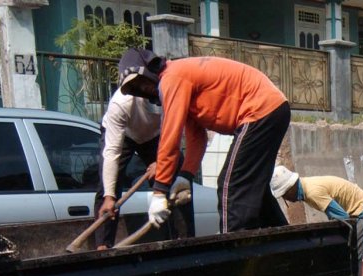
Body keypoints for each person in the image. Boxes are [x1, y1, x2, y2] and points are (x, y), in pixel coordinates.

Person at [117, 48, 289, 233]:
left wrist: (159, 191)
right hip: (271, 109)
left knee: (231, 187)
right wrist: (186, 175)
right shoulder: (181, 80)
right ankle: (291, 245)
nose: (144, 90)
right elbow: (196, 138)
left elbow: (170, 136)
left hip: (260, 110)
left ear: (150, 70)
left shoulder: (172, 78)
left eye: (142, 83)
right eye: (138, 89)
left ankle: (235, 252)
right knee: (253, 189)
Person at [94, 88, 166, 249]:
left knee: (173, 179)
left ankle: (178, 239)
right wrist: (109, 197)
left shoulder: (171, 94)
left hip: (156, 135)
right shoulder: (121, 102)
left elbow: (177, 133)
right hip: (124, 132)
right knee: (108, 187)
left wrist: (162, 161)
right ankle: (103, 246)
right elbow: (111, 153)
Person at [271, 165, 363, 267]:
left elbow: (343, 218)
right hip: (354, 211)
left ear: (290, 188)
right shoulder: (306, 186)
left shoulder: (312, 193)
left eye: (284, 194)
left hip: (360, 213)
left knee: (355, 257)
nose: (286, 198)